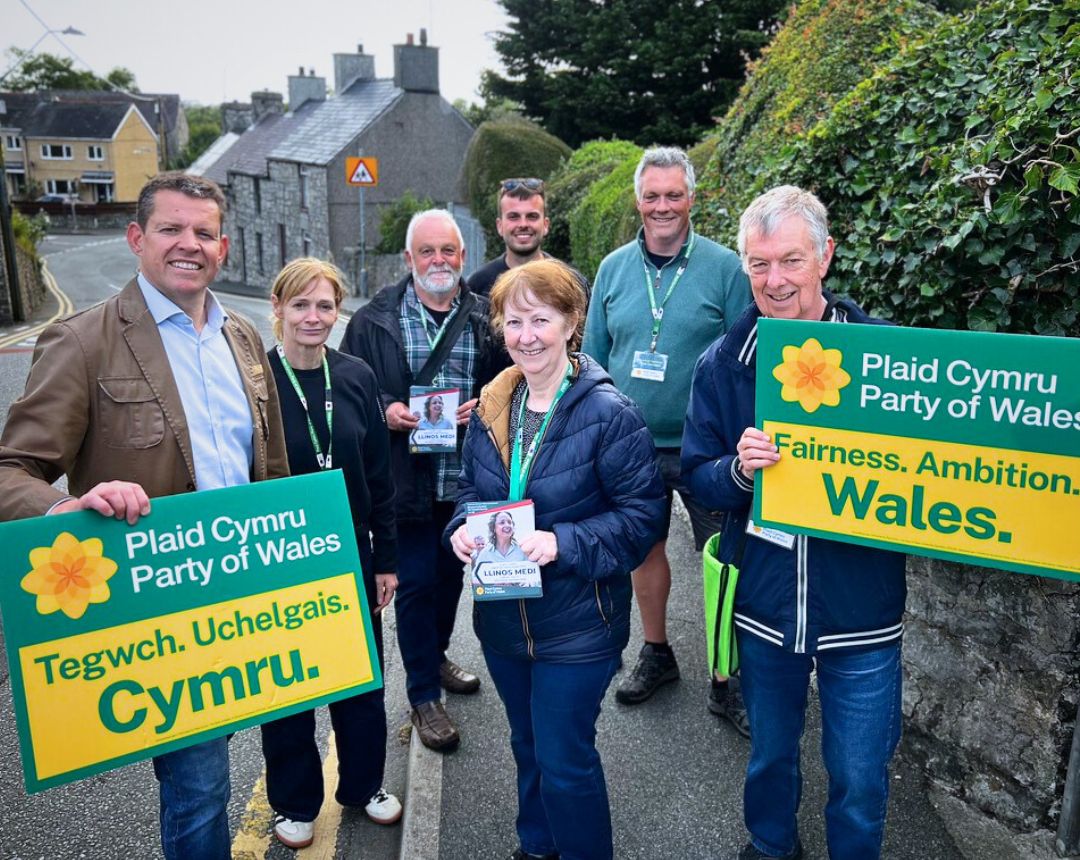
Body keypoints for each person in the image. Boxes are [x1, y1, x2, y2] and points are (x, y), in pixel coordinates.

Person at [0, 172, 289, 860]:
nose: (190, 244)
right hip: (158, 610)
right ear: (137, 238)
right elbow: (11, 470)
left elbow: (272, 470)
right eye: (171, 229)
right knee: (200, 785)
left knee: (229, 761)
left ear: (222, 247)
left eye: (204, 232)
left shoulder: (244, 338)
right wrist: (68, 507)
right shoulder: (83, 341)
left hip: (245, 599)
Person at [681, 186, 907, 860]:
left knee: (860, 777)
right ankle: (771, 844)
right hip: (765, 604)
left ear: (825, 257)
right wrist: (737, 471)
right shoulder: (724, 364)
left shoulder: (888, 360)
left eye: (790, 260)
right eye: (759, 264)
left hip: (862, 608)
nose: (774, 280)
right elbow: (696, 474)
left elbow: (934, 471)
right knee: (770, 759)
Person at [448, 259, 666, 860]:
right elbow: (468, 492)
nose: (526, 336)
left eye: (541, 320)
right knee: (527, 747)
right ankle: (537, 845)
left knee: (565, 759)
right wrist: (460, 531)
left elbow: (644, 519)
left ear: (571, 323)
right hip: (503, 620)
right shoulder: (493, 405)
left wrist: (562, 542)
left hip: (578, 627)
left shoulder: (610, 414)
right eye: (514, 322)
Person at [582, 146, 752, 732]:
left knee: (724, 559)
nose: (662, 206)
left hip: (707, 446)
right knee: (644, 550)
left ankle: (728, 677)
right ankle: (657, 653)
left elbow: (744, 358)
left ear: (691, 199)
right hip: (632, 444)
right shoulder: (612, 269)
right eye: (652, 195)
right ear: (638, 201)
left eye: (673, 195)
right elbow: (594, 359)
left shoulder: (726, 268)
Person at [340, 208, 507, 751]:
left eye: (448, 250)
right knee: (414, 585)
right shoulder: (373, 321)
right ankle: (422, 695)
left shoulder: (487, 317)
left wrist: (487, 404)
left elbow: (510, 382)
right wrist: (386, 409)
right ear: (409, 258)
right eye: (428, 251)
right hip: (403, 481)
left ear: (463, 257)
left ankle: (435, 656)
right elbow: (351, 391)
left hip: (464, 480)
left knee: (451, 578)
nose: (439, 260)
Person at [260, 257, 402, 849]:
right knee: (288, 686)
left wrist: (386, 558)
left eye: (324, 306)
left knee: (360, 681)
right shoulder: (255, 379)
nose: (313, 317)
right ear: (278, 309)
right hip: (279, 557)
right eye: (301, 305)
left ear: (338, 311)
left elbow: (379, 474)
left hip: (349, 551)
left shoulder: (355, 376)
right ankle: (294, 801)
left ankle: (364, 784)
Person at [467, 177, 590, 302]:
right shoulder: (477, 287)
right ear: (500, 226)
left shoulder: (571, 283)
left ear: (545, 225)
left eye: (532, 216)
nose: (523, 224)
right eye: (513, 217)